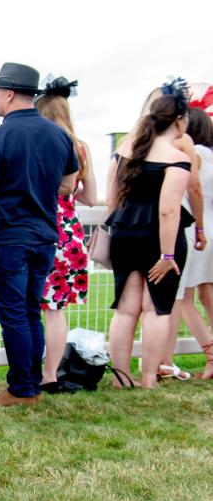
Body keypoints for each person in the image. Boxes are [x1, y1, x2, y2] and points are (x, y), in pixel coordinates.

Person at [0, 62, 79, 406]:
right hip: (45, 236)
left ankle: (21, 389)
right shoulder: (59, 135)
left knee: (14, 315)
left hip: (6, 237)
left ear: (8, 93)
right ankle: (30, 384)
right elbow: (68, 184)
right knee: (31, 311)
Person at [105, 82, 194, 389]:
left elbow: (111, 201)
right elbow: (168, 211)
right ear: (179, 120)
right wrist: (167, 256)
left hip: (124, 232)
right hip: (158, 240)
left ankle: (121, 378)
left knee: (126, 309)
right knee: (156, 309)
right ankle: (147, 378)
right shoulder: (176, 158)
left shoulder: (123, 150)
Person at [34, 77, 97, 392]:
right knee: (56, 310)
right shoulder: (80, 146)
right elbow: (90, 197)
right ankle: (51, 375)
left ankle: (29, 371)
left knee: (30, 304)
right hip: (69, 235)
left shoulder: (40, 143)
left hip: (39, 227)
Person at [161, 107, 213, 380]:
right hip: (209, 228)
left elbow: (191, 189)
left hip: (194, 229)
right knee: (207, 295)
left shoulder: (193, 155)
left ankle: (208, 354)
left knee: (182, 300)